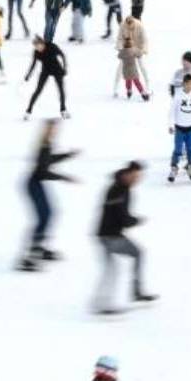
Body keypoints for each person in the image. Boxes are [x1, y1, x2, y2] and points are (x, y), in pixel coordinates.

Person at [93, 161, 155, 314]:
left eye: (139, 177)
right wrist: (135, 220)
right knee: (114, 268)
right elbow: (123, 219)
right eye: (134, 176)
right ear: (127, 174)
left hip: (110, 234)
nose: (137, 179)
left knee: (131, 257)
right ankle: (104, 303)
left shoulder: (122, 188)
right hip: (109, 236)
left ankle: (131, 293)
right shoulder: (118, 190)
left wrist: (130, 220)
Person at [20, 119, 78, 271]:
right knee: (44, 217)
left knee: (49, 215)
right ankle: (29, 257)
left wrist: (68, 155)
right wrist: (64, 178)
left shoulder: (46, 145)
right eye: (51, 129)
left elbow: (49, 160)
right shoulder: (43, 145)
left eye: (55, 129)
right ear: (45, 130)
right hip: (33, 184)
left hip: (36, 183)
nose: (53, 132)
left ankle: (41, 248)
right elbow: (43, 172)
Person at [23, 37, 68, 117]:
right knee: (38, 90)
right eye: (36, 47)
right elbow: (33, 65)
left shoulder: (52, 47)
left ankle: (63, 109)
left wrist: (65, 68)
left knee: (61, 90)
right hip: (46, 70)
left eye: (39, 46)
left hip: (57, 69)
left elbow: (62, 55)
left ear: (43, 43)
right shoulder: (36, 52)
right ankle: (28, 111)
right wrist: (28, 75)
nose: (38, 48)